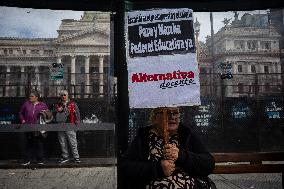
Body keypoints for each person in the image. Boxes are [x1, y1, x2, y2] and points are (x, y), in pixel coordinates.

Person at [120, 107, 215, 189]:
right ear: (155, 117)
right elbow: (126, 167)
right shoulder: (144, 137)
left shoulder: (186, 134)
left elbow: (208, 163)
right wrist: (158, 169)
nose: (172, 117)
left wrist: (181, 156)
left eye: (175, 113)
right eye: (167, 112)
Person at [19, 90, 48, 165]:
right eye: (30, 96)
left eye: (32, 96)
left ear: (37, 97)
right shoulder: (26, 104)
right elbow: (20, 113)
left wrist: (44, 114)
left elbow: (48, 115)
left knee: (39, 143)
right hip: (28, 127)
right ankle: (27, 160)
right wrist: (22, 120)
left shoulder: (43, 105)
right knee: (28, 143)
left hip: (38, 128)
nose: (30, 97)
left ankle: (40, 160)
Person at [54, 90, 81, 164]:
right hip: (60, 125)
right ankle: (65, 156)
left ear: (68, 95)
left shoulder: (72, 104)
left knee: (73, 142)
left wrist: (77, 121)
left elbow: (78, 113)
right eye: (62, 95)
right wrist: (61, 107)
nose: (63, 96)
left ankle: (76, 157)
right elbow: (56, 112)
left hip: (70, 125)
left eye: (65, 95)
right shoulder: (58, 104)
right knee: (62, 142)